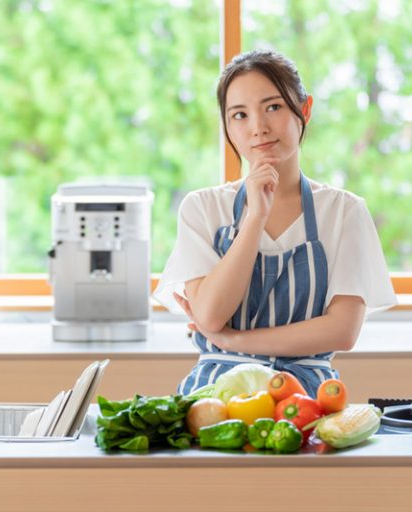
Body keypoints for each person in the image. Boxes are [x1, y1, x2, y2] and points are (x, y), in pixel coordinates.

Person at [153, 49, 397, 398]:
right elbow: (209, 316)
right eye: (239, 115)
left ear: (305, 110)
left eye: (273, 107)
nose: (258, 128)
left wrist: (235, 341)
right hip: (215, 397)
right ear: (226, 127)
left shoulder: (344, 211)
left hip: (306, 397)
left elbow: (343, 331)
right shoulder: (202, 208)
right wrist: (255, 218)